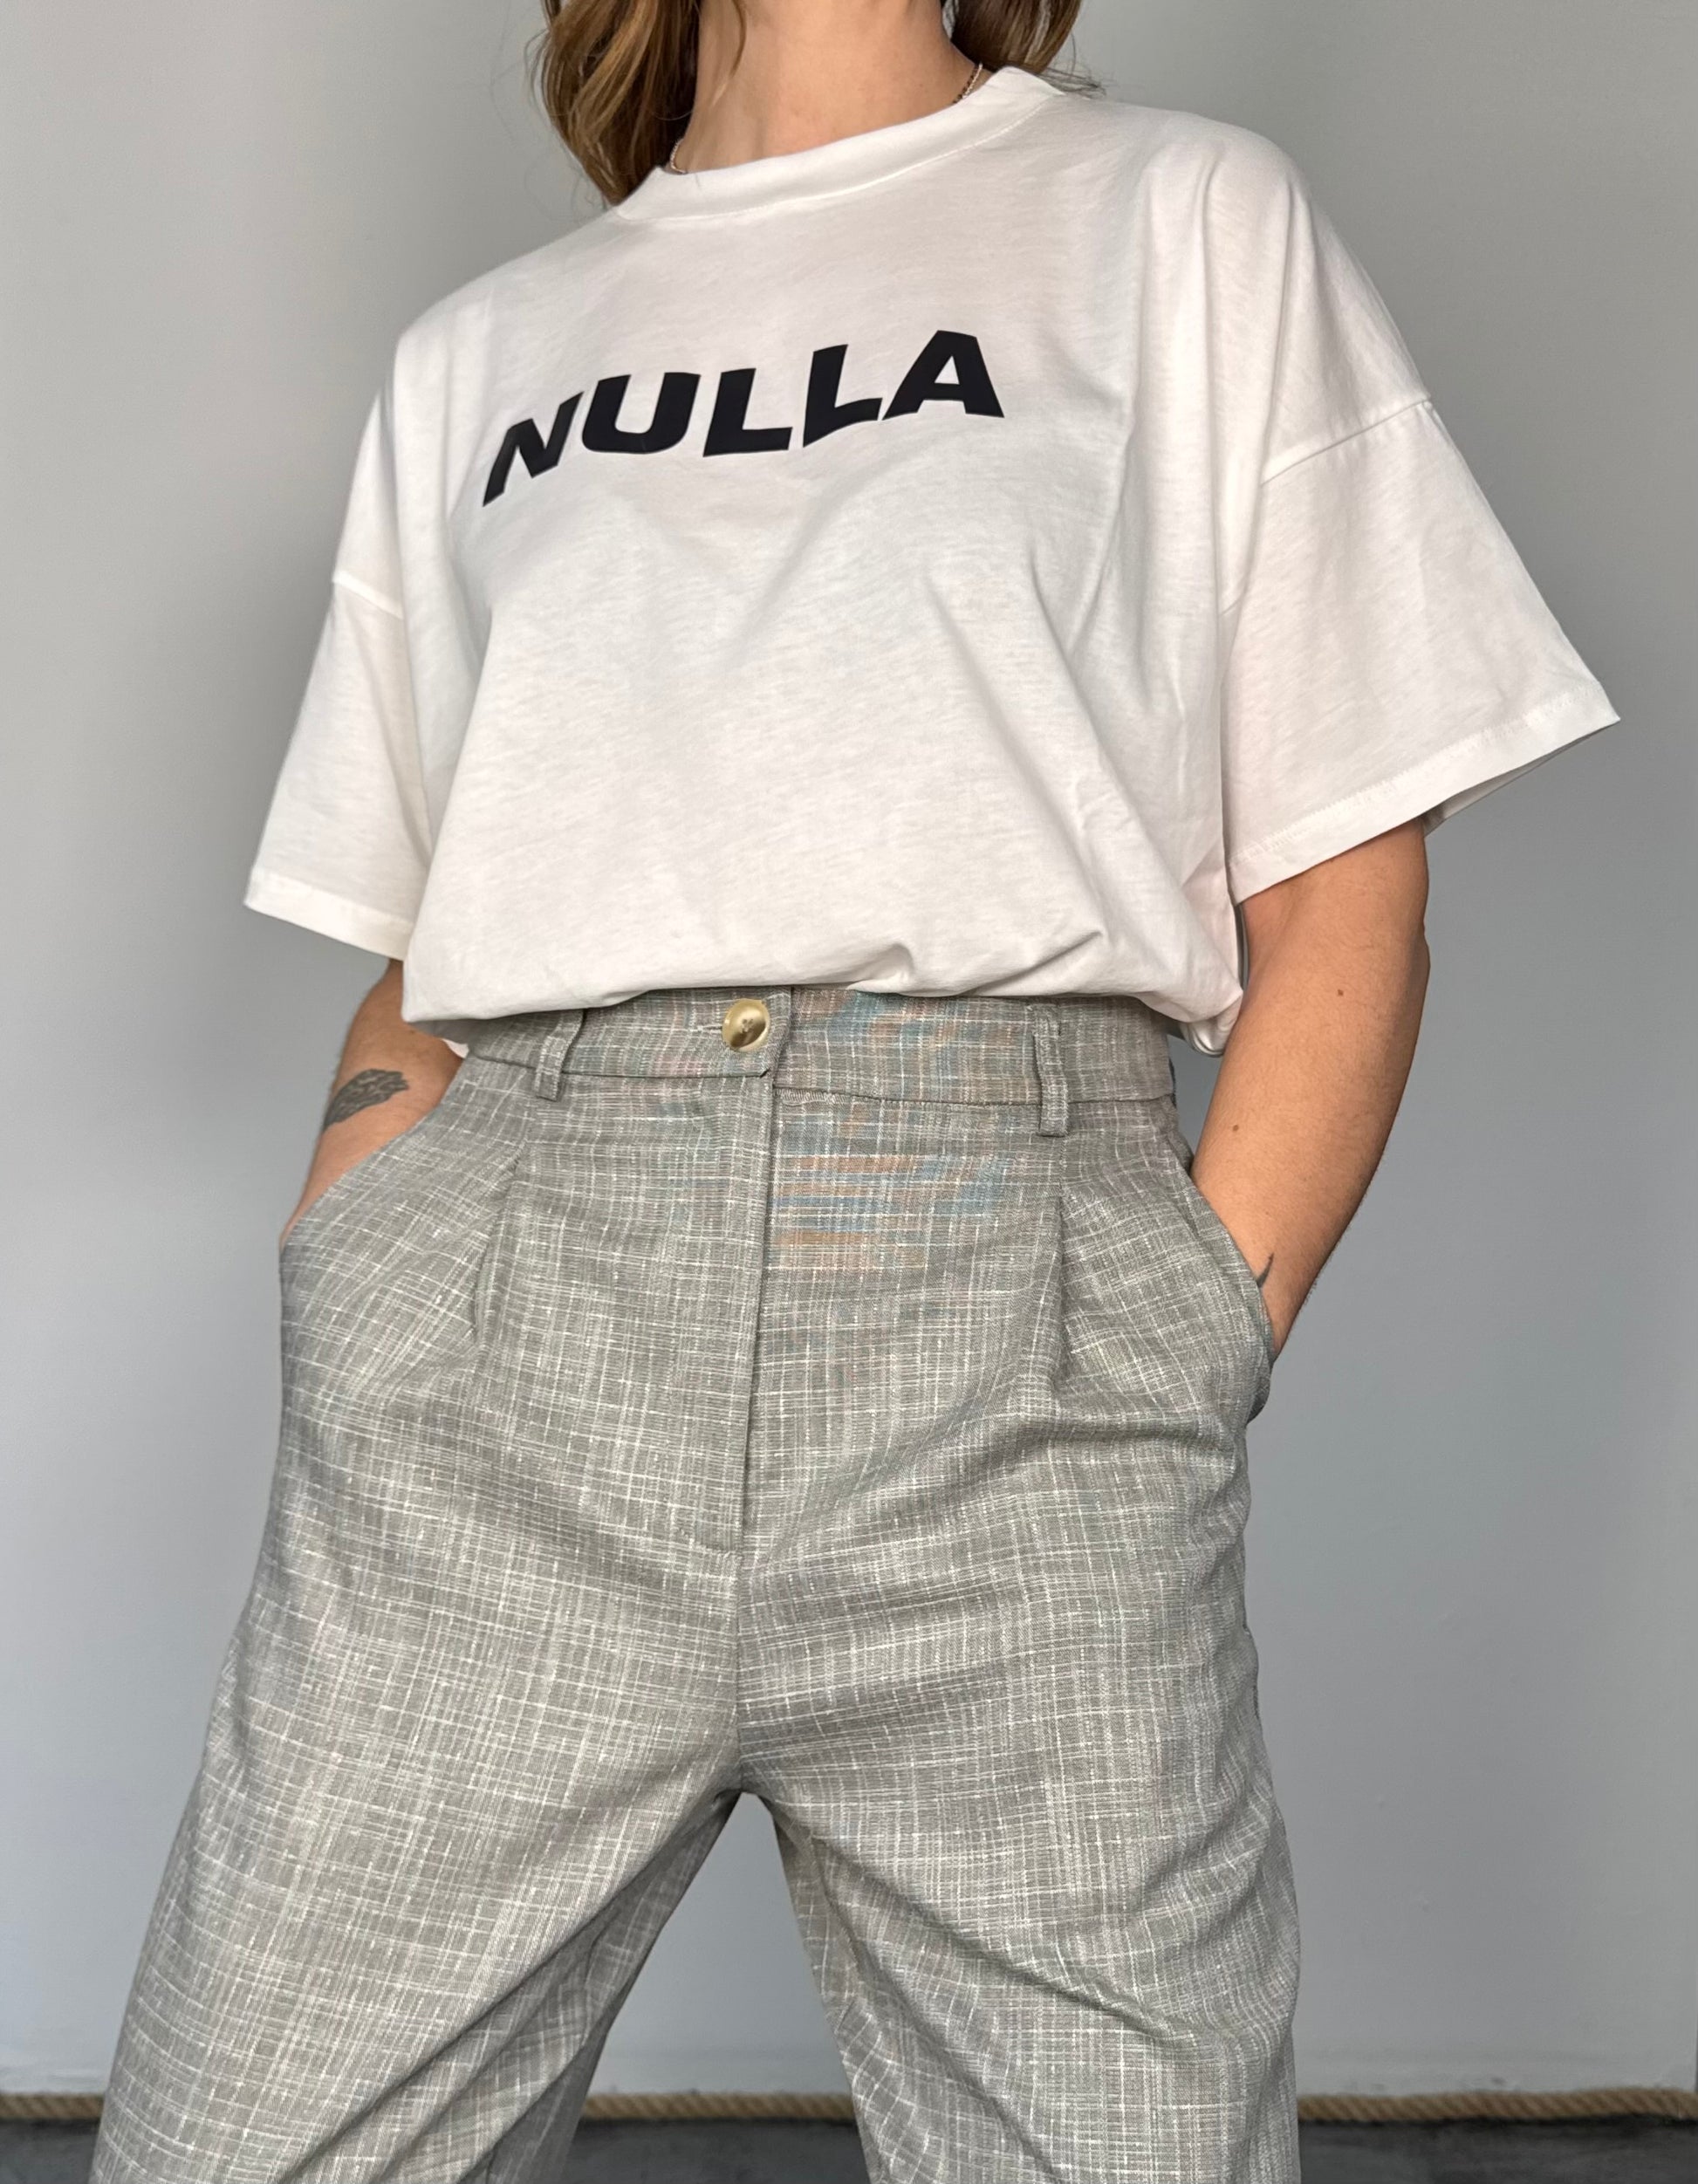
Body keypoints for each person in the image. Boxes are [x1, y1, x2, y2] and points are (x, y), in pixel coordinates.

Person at [91, 3, 1617, 2180]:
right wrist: (360, 1247)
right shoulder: (483, 352)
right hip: (505, 1348)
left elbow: (1347, 877)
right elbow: (422, 920)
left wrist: (1193, 1325)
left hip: (1014, 1344)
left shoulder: (1182, 219)